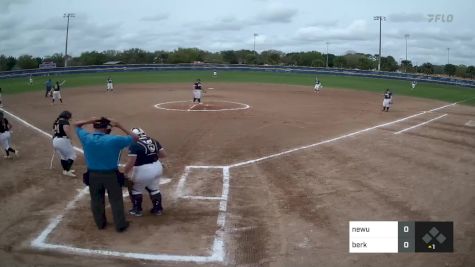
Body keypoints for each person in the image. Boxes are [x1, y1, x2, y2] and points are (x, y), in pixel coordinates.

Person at [74, 117, 138, 232]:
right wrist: (119, 125)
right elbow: (135, 138)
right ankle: (120, 225)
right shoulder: (114, 139)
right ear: (107, 128)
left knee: (96, 200)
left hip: (93, 175)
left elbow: (76, 124)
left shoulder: (86, 138)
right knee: (116, 200)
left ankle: (100, 224)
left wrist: (91, 120)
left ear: (94, 127)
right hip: (111, 175)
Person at [123, 128, 166, 217]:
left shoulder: (134, 144)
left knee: (135, 189)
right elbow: (163, 155)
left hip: (143, 170)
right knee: (154, 188)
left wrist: (125, 172)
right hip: (157, 167)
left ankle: (137, 210)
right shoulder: (153, 140)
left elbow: (132, 162)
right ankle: (158, 209)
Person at [52, 111, 76, 177]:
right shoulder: (65, 122)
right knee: (72, 155)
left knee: (63, 156)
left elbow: (53, 131)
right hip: (62, 141)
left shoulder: (57, 122)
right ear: (67, 116)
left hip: (55, 140)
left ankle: (65, 170)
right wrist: (70, 140)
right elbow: (66, 132)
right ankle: (67, 171)